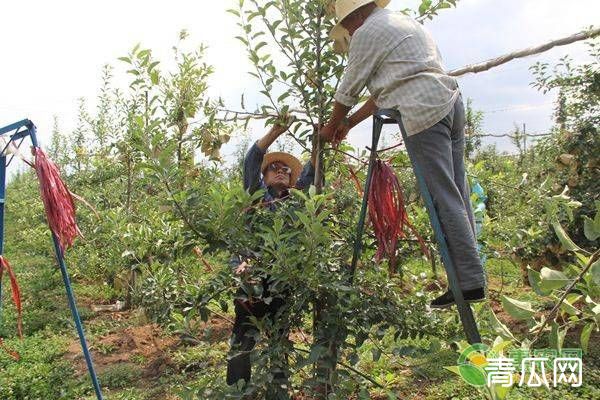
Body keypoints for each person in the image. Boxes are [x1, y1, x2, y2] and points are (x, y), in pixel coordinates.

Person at [320, 0, 486, 308]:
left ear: (354, 16)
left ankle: (469, 282)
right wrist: (348, 123)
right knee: (458, 193)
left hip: (422, 111)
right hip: (449, 102)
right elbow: (379, 94)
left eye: (346, 25)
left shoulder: (367, 32)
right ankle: (470, 277)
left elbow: (347, 90)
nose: (349, 31)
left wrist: (329, 128)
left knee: (443, 197)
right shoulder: (399, 21)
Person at [226, 117, 315, 398]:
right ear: (264, 177)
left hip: (282, 280)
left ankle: (278, 391)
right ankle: (239, 391)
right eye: (274, 168)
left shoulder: (295, 203)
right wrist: (276, 131)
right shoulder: (256, 198)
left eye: (286, 170)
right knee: (243, 339)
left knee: (279, 340)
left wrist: (322, 143)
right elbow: (252, 160)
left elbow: (312, 173)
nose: (281, 171)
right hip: (250, 277)